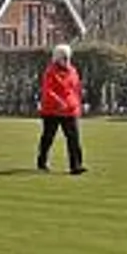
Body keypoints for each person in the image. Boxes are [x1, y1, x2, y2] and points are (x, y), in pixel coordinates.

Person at [36, 43, 86, 175]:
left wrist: (78, 104)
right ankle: (42, 161)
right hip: (52, 110)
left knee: (74, 138)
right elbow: (48, 90)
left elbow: (76, 89)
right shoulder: (50, 72)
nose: (67, 60)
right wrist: (59, 102)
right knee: (48, 137)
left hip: (70, 110)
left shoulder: (73, 71)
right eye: (64, 57)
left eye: (68, 57)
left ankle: (76, 165)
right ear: (57, 58)